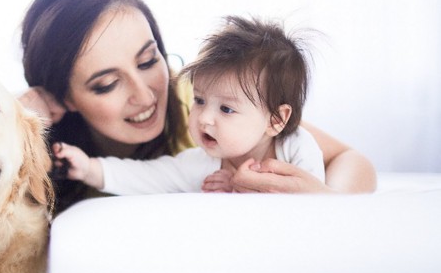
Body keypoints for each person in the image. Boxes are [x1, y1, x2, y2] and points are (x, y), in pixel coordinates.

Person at [19, 0, 376, 211]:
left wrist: (328, 203)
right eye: (107, 84)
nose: (145, 96)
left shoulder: (201, 98)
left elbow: (350, 158)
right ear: (65, 97)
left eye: (148, 61)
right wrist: (16, 121)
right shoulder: (55, 156)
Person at [51, 16, 324, 194]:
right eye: (200, 100)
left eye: (226, 109)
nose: (204, 118)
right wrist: (87, 167)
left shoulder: (296, 147)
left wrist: (245, 190)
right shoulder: (202, 164)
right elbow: (147, 177)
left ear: (276, 120)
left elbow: (317, 213)